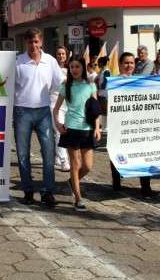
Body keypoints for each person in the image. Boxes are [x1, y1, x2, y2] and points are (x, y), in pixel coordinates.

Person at [14, 28, 63, 207]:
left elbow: (60, 85)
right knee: (22, 154)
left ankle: (47, 192)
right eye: (30, 42)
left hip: (43, 111)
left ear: (41, 42)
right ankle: (28, 191)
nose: (33, 45)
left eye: (36, 41)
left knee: (49, 153)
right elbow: (9, 88)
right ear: (25, 43)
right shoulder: (17, 62)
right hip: (22, 112)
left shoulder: (50, 61)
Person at [53, 55, 101, 212]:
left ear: (83, 68)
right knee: (75, 164)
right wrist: (58, 125)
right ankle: (78, 198)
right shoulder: (65, 85)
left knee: (87, 166)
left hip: (87, 130)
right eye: (72, 67)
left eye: (77, 66)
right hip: (71, 130)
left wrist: (98, 127)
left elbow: (96, 109)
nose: (74, 69)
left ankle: (72, 182)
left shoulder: (90, 85)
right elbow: (56, 109)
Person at [110, 52, 155, 198]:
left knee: (143, 154)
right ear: (120, 64)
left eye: (131, 63)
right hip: (120, 125)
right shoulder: (114, 81)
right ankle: (116, 182)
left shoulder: (140, 81)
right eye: (126, 63)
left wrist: (156, 82)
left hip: (137, 125)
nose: (129, 66)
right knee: (117, 153)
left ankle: (145, 187)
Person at [51, 46, 70, 173]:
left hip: (68, 104)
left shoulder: (71, 69)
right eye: (58, 54)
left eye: (63, 54)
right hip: (53, 103)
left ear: (66, 55)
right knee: (59, 131)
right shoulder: (51, 69)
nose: (61, 56)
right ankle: (64, 160)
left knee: (64, 131)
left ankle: (58, 156)